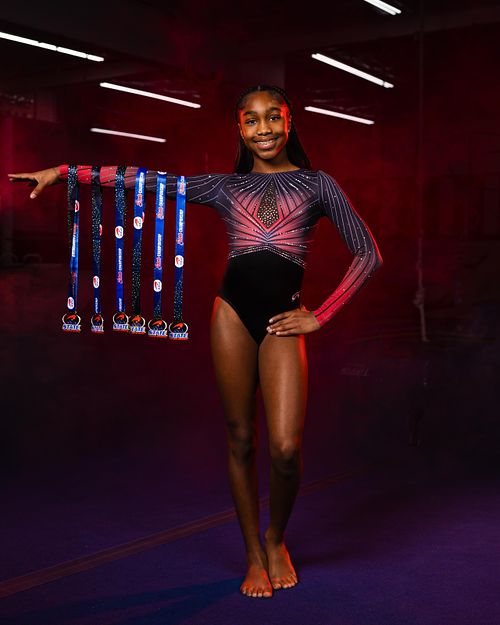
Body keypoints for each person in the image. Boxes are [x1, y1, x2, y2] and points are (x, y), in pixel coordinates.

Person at [8, 84, 383, 599]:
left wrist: (320, 316)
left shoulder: (318, 185)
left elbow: (368, 253)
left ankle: (276, 538)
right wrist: (65, 172)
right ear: (240, 130)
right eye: (252, 120)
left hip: (281, 321)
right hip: (231, 315)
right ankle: (253, 553)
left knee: (285, 448)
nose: (264, 128)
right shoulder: (224, 187)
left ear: (289, 122)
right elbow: (147, 182)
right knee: (241, 438)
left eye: (273, 117)